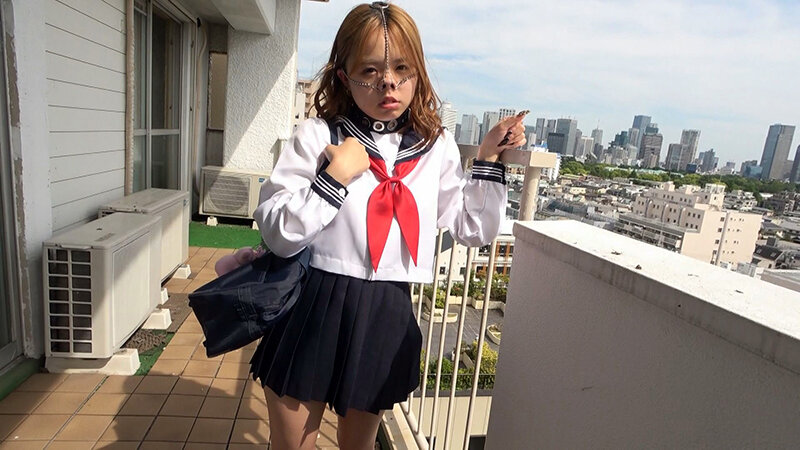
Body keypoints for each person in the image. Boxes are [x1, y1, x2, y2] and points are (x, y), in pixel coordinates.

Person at [250, 2, 526, 449]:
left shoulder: (435, 147)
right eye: (370, 70)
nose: (389, 83)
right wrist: (333, 179)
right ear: (344, 76)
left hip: (384, 311)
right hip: (312, 302)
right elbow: (277, 232)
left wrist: (489, 158)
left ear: (418, 72)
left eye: (402, 68)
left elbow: (472, 228)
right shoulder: (319, 136)